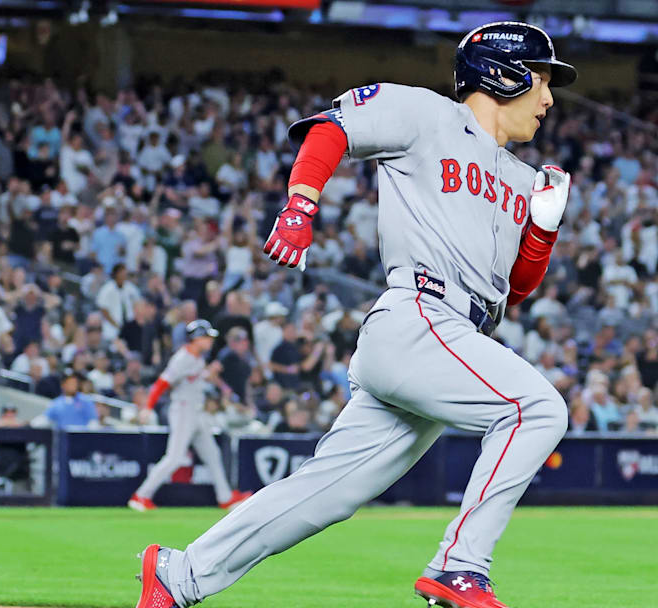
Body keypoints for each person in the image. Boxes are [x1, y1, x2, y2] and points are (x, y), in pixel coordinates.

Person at [135, 21, 576, 608]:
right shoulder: (423, 113)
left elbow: (514, 291)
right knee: (538, 408)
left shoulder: (523, 178)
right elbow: (329, 130)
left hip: (452, 336)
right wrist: (301, 205)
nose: (549, 100)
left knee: (326, 494)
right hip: (418, 316)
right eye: (542, 80)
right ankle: (460, 564)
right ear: (505, 74)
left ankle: (181, 574)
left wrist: (542, 231)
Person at [127, 320, 251, 512]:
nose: (210, 341)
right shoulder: (182, 358)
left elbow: (199, 378)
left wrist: (214, 378)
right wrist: (148, 407)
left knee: (212, 454)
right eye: (206, 337)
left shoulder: (198, 358)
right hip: (183, 409)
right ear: (196, 338)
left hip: (196, 411)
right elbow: (162, 383)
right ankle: (141, 495)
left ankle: (225, 497)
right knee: (175, 458)